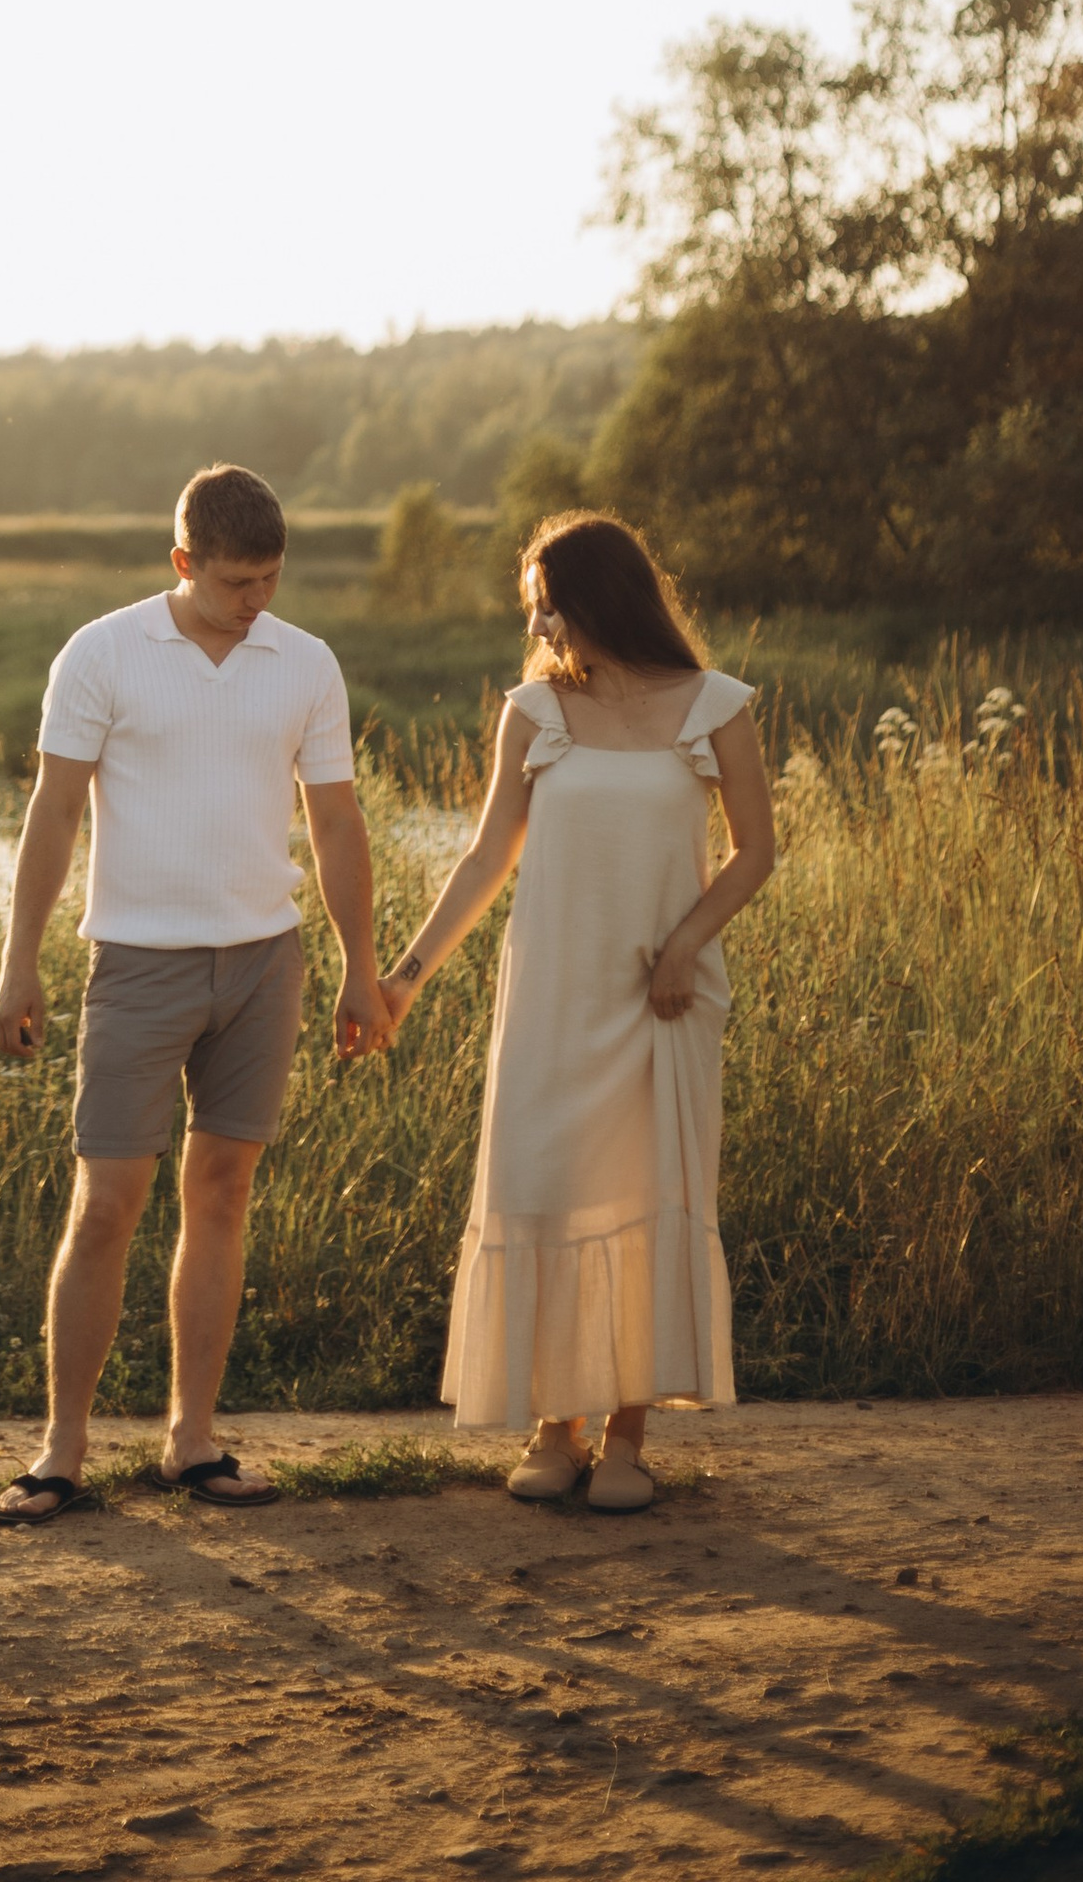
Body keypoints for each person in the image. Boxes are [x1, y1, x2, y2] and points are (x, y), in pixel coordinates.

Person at [0, 462, 386, 1525]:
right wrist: (17, 961)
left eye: (270, 580)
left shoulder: (304, 663)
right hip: (137, 964)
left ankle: (190, 1442)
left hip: (265, 962)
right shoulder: (103, 653)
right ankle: (61, 1452)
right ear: (182, 563)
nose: (257, 602)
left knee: (222, 1196)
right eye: (235, 583)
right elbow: (54, 812)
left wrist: (357, 963)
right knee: (107, 1204)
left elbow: (337, 823)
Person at [379, 509, 776, 1512]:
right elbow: (484, 858)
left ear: (600, 598)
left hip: (661, 995)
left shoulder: (712, 705)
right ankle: (552, 1426)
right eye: (534, 611)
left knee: (642, 1194)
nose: (541, 628)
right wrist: (406, 974)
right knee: (549, 1185)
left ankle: (625, 1439)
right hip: (551, 993)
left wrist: (685, 945)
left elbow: (755, 852)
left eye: (549, 608)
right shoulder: (534, 711)